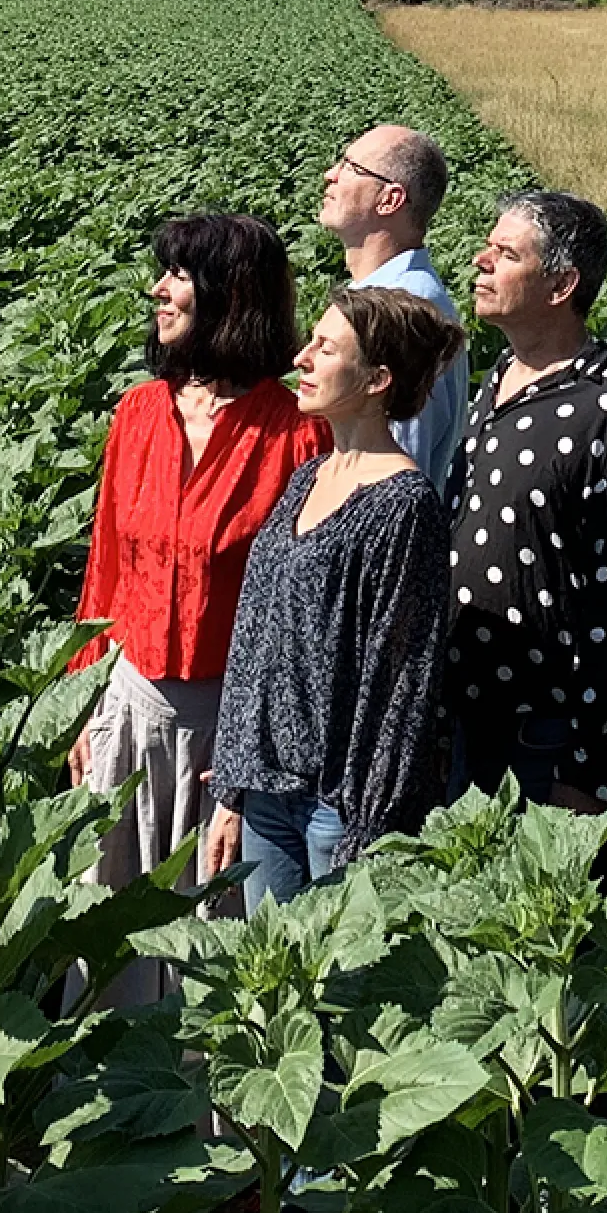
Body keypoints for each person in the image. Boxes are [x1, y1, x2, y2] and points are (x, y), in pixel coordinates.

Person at [69, 213, 326, 976]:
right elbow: (106, 570)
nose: (159, 289)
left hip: (229, 733)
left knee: (210, 953)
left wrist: (258, 764)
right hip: (130, 708)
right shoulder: (139, 413)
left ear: (231, 295)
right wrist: (84, 699)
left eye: (179, 275)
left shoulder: (295, 435)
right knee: (107, 936)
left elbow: (297, 621)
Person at [206, 286, 462, 906]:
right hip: (267, 793)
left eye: (325, 348)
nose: (302, 358)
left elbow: (402, 683)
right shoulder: (306, 477)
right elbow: (255, 639)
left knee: (338, 994)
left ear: (377, 379)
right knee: (273, 987)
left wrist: (365, 831)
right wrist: (234, 788)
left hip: (338, 809)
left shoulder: (403, 505)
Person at [448, 189, 607, 810]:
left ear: (560, 284)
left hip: (542, 731)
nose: (480, 261)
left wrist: (591, 759)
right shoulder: (496, 378)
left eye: (504, 253)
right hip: (462, 711)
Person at [317, 123, 468, 486]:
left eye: (351, 167)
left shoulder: (407, 309)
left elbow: (395, 467)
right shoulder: (383, 292)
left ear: (390, 200)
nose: (330, 175)